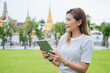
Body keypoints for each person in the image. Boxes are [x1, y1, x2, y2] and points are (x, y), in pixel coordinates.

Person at [40, 8, 94, 73]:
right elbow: (59, 64)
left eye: (69, 20)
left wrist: (64, 60)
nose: (66, 23)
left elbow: (83, 69)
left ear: (79, 22)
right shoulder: (63, 38)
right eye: (66, 20)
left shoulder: (87, 41)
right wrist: (50, 58)